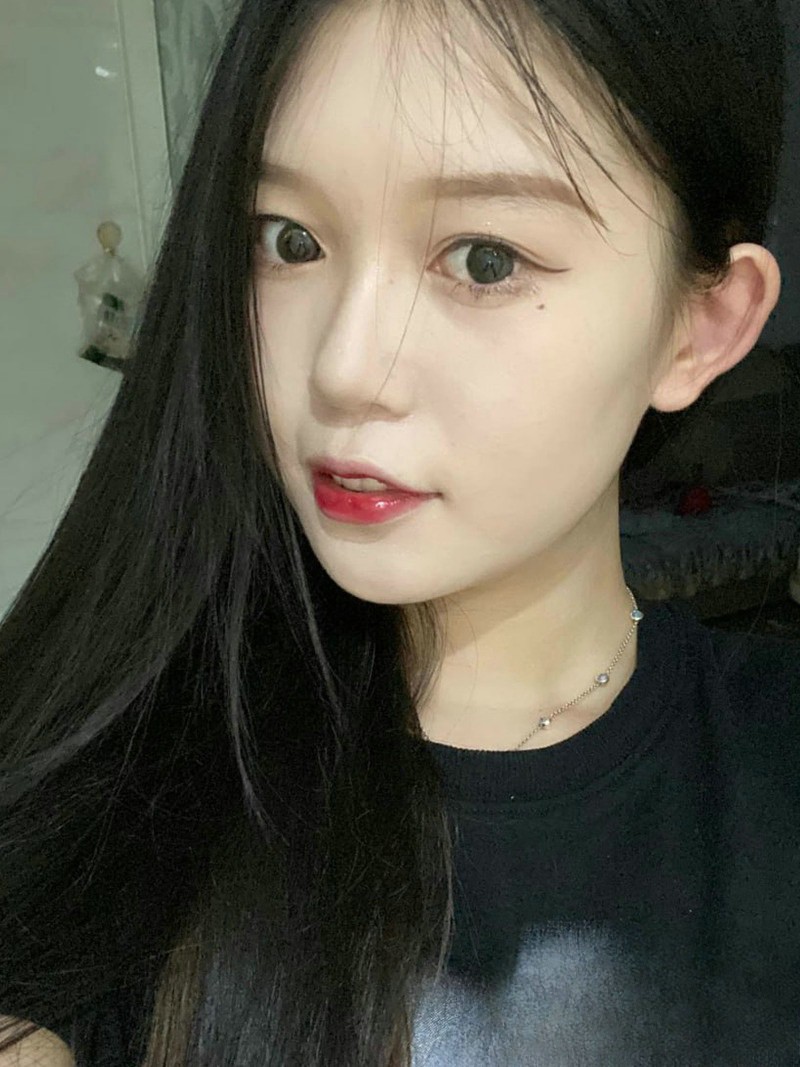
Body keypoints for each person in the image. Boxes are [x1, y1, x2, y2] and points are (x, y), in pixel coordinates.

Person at [0, 0, 795, 1063]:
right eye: (290, 241)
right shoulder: (105, 798)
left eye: (484, 260)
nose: (343, 365)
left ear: (702, 326)